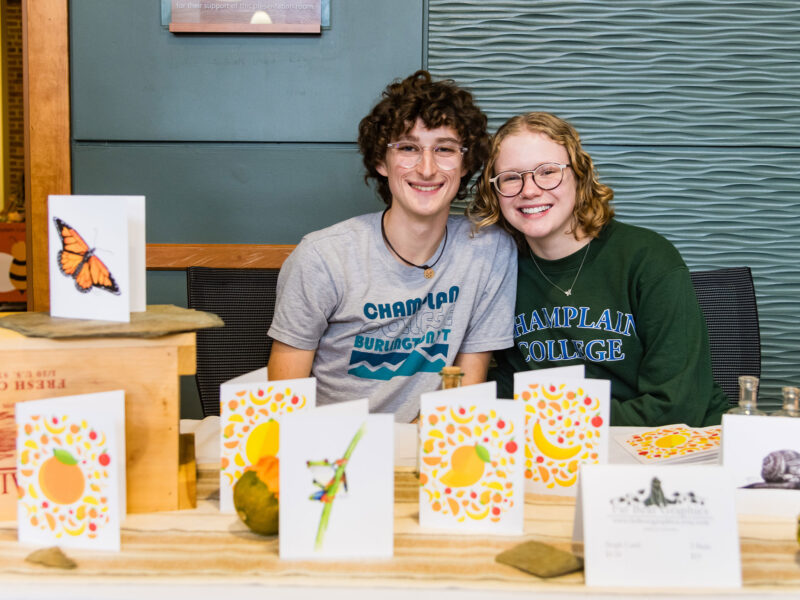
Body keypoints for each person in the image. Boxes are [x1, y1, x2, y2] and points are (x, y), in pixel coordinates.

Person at [267, 71, 517, 422]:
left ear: (466, 164)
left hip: (430, 446)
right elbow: (283, 400)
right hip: (335, 454)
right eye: (408, 148)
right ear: (381, 163)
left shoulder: (490, 251)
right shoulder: (322, 257)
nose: (427, 168)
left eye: (444, 149)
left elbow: (466, 392)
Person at [469, 111, 728, 427]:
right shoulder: (501, 270)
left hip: (672, 445)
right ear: (494, 192)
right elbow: (511, 387)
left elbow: (677, 404)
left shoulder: (647, 258)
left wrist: (559, 426)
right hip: (558, 449)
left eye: (547, 172)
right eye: (511, 177)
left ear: (579, 175)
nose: (529, 190)